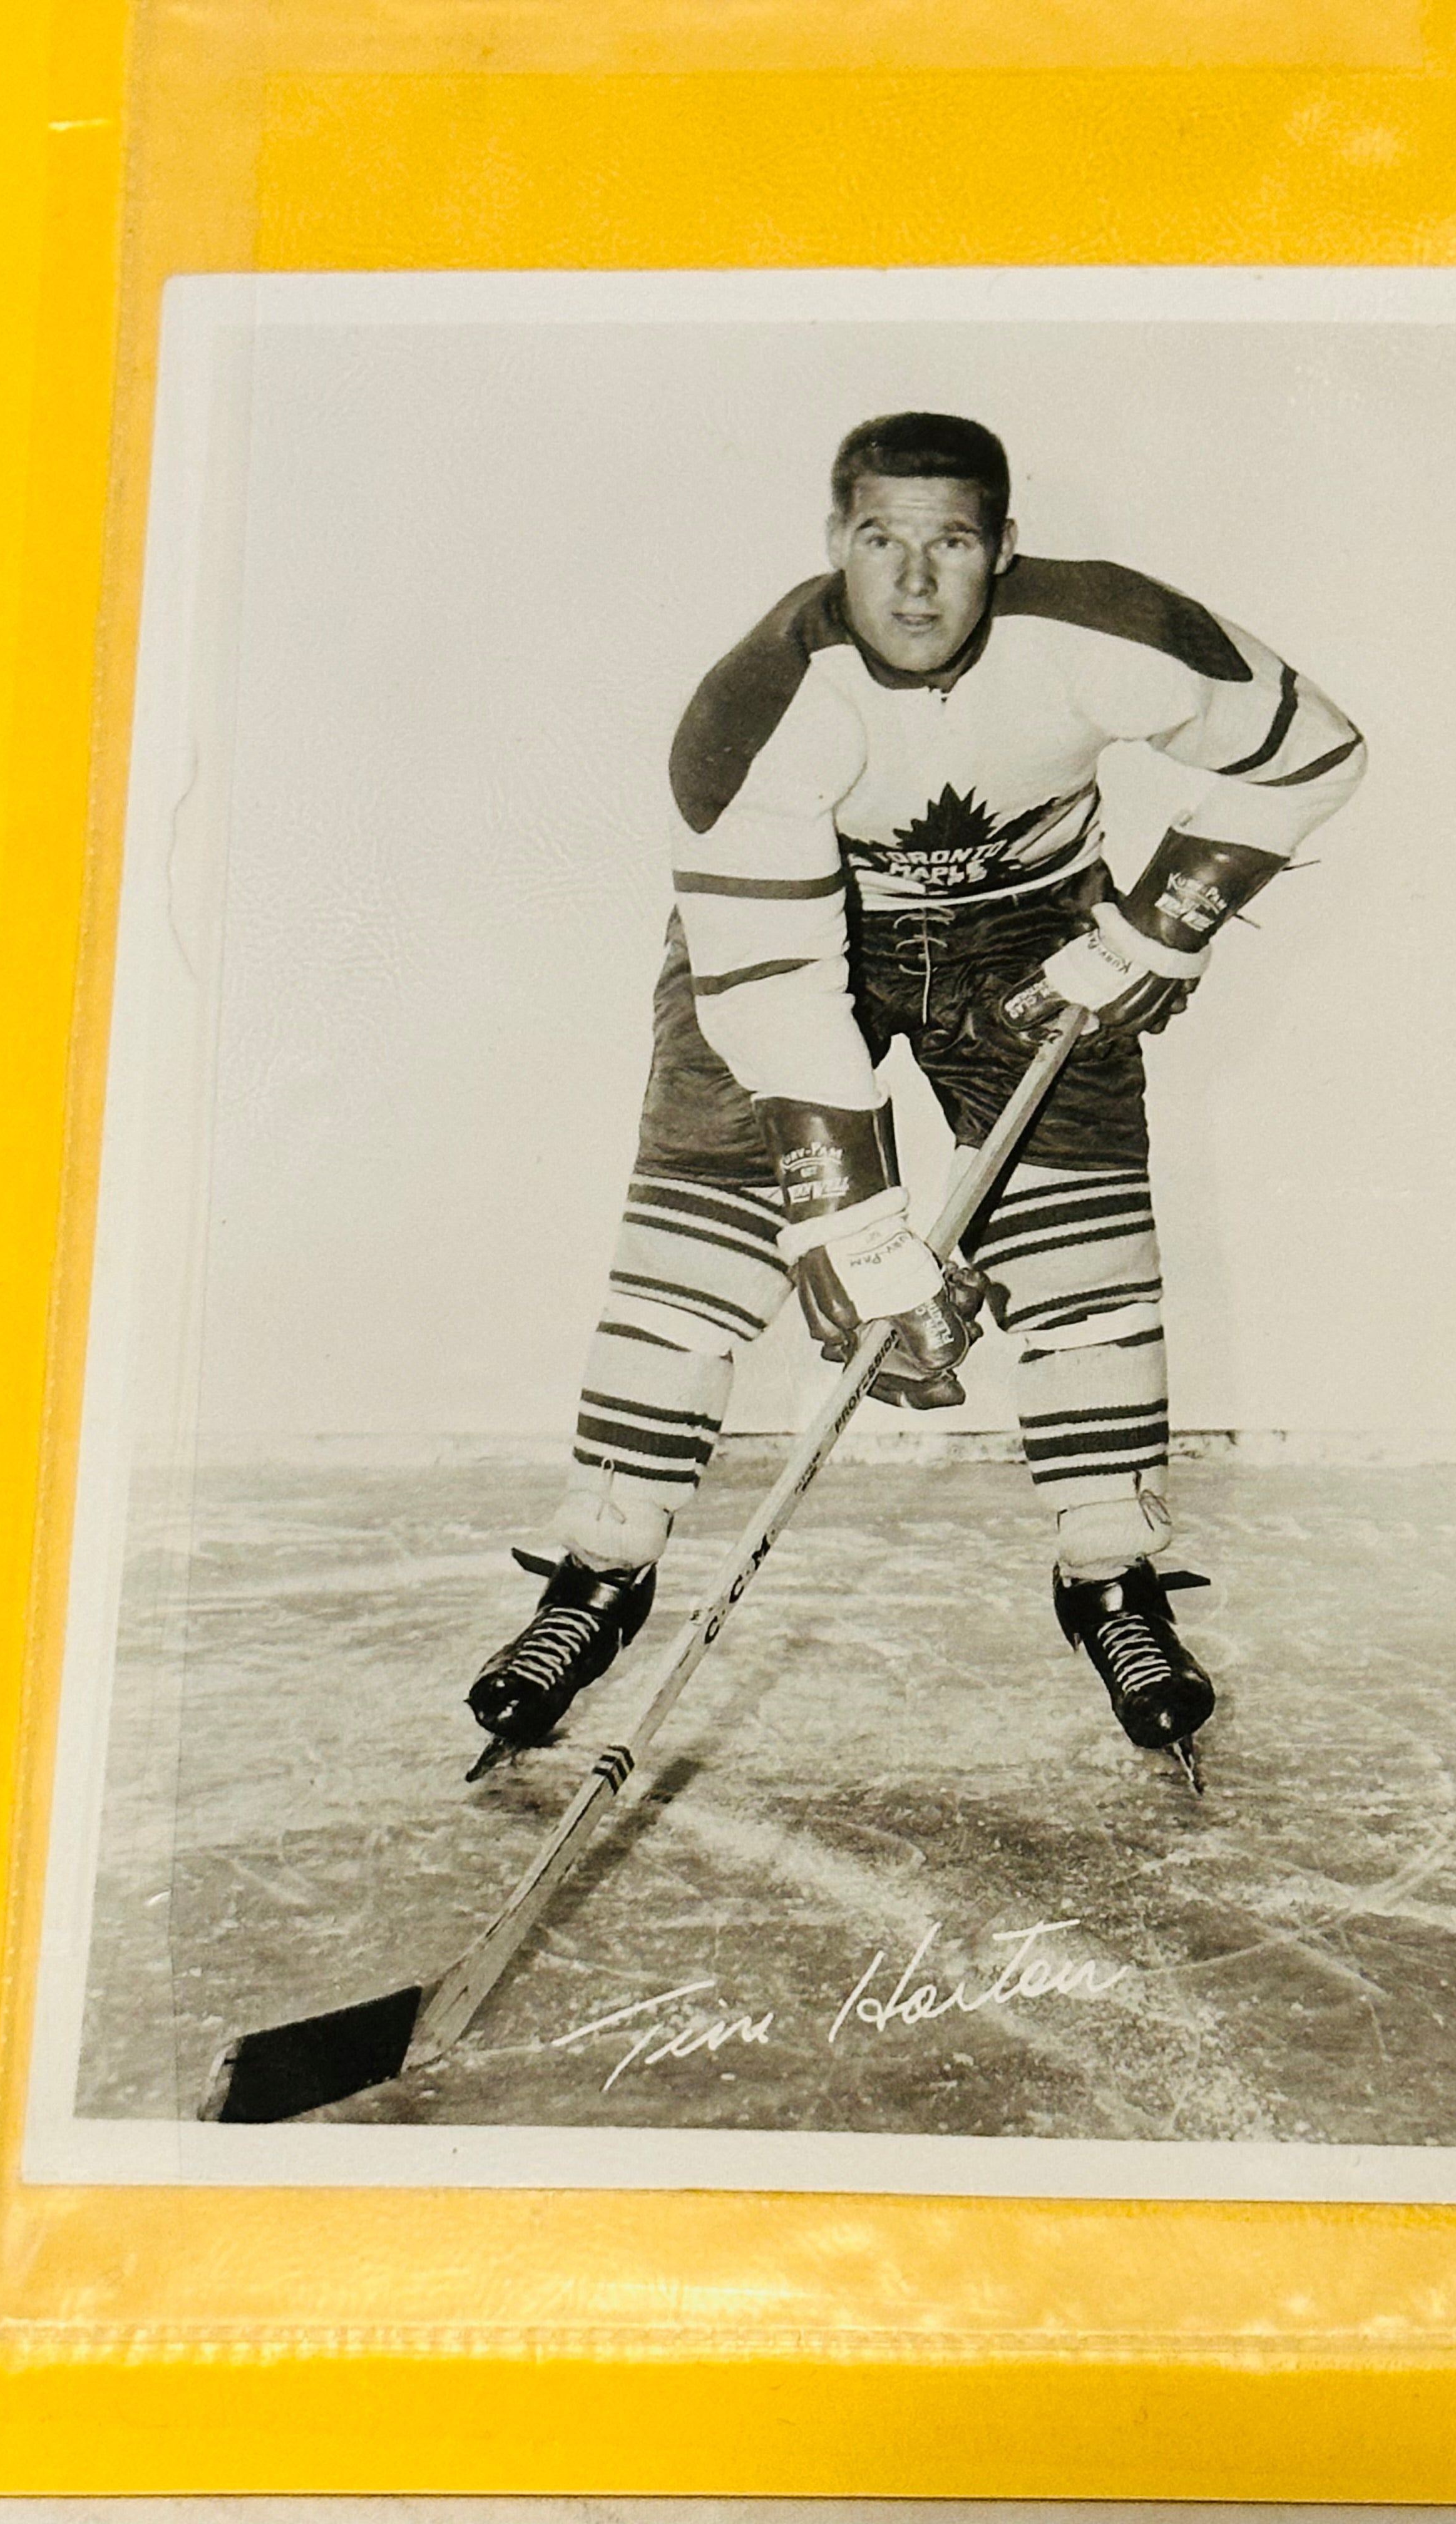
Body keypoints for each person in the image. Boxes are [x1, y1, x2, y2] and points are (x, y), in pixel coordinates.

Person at [465, 411, 1366, 1773]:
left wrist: (1155, 926)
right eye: (881, 541)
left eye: (952, 542)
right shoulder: (757, 704)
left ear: (1005, 547)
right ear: (836, 544)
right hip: (794, 943)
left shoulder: (1109, 633)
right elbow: (773, 986)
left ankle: (1110, 1578)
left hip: (1031, 938)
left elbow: (1314, 752)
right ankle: (598, 1571)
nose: (916, 583)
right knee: (690, 1260)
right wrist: (855, 1225)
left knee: (1088, 1258)